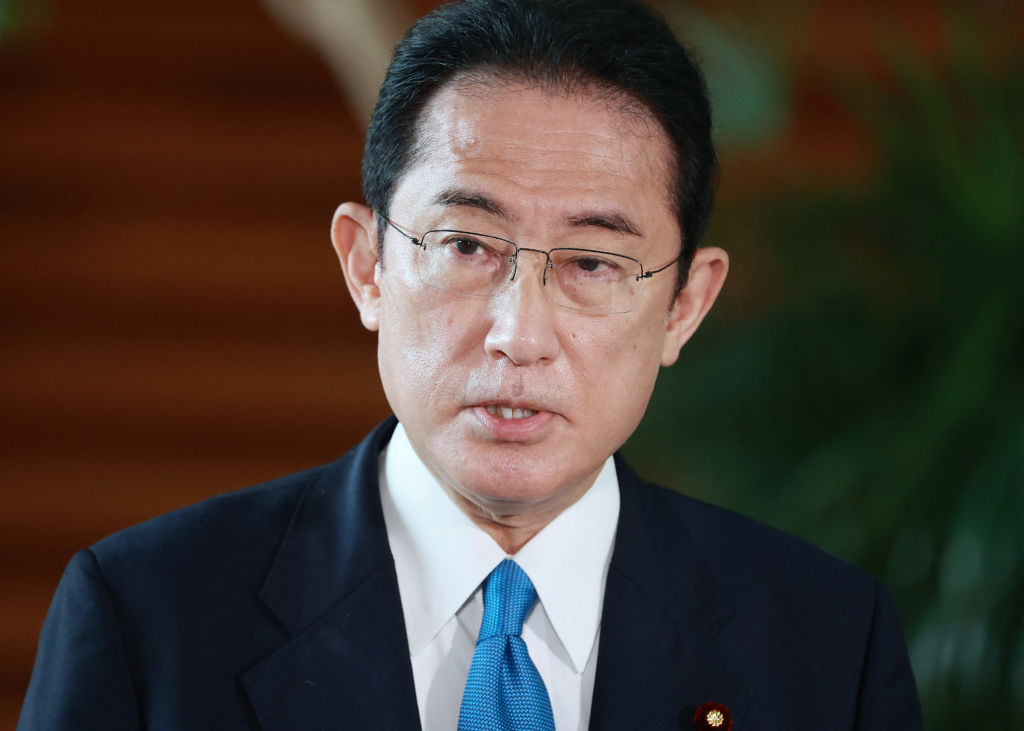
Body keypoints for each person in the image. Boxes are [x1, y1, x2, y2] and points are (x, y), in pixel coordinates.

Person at [18, 0, 923, 729]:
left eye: (592, 263)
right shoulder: (148, 619)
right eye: (465, 245)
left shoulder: (829, 647)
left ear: (684, 305)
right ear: (366, 266)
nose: (518, 334)